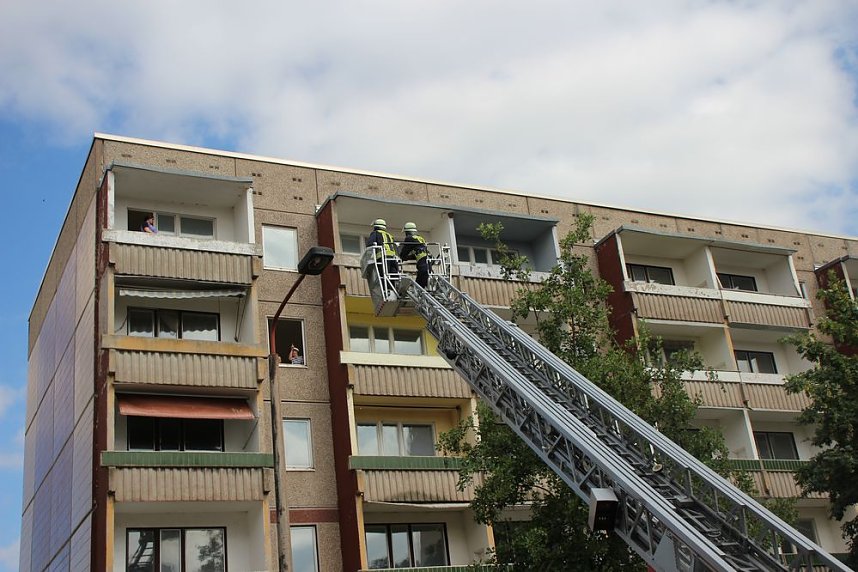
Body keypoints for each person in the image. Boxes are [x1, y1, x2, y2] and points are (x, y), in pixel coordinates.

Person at [399, 222, 430, 288]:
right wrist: (409, 257)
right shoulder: (420, 238)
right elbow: (417, 250)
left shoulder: (409, 238)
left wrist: (402, 257)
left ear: (408, 232)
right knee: (424, 277)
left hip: (422, 261)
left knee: (421, 278)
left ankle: (418, 289)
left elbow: (405, 250)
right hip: (428, 259)